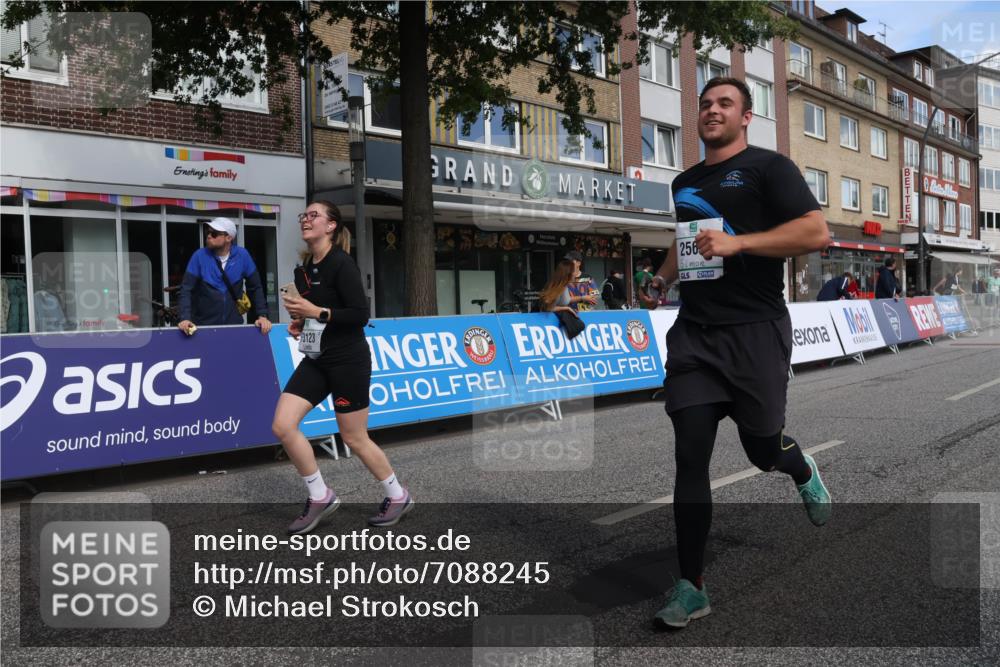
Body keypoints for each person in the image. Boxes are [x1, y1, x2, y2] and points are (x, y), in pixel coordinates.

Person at [646, 77, 832, 629]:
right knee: (690, 456)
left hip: (755, 331)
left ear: (746, 116)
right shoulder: (684, 181)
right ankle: (691, 586)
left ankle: (798, 465)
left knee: (762, 451)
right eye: (704, 104)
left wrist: (740, 243)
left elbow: (816, 232)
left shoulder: (769, 167)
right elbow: (690, 243)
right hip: (696, 336)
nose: (711, 111)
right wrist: (660, 279)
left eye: (724, 103)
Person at [272, 200, 412, 535]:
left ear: (331, 226)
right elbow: (315, 315)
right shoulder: (304, 269)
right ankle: (320, 496)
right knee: (283, 425)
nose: (306, 219)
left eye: (314, 215)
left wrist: (316, 312)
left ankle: (398, 494)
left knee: (353, 437)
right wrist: (301, 323)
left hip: (349, 360)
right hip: (317, 358)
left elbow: (360, 315)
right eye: (303, 215)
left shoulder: (342, 263)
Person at [176, 217, 271, 335]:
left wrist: (262, 316)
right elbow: (186, 290)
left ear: (228, 238)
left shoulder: (242, 255)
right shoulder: (199, 256)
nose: (209, 236)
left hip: (234, 327)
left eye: (214, 234)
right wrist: (185, 317)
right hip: (203, 328)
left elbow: (255, 287)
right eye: (208, 232)